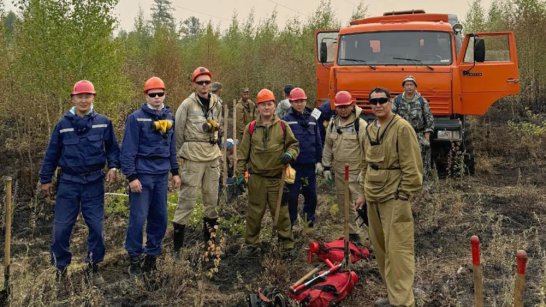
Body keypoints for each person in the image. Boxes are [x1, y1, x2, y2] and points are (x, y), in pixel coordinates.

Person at [39, 80, 120, 282]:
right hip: (68, 183)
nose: (83, 100)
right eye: (79, 96)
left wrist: (113, 166)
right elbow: (52, 153)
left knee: (96, 227)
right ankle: (61, 270)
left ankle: (93, 267)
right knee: (61, 229)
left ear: (93, 98)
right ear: (73, 98)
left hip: (94, 182)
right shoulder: (62, 125)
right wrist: (45, 179)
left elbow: (112, 148)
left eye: (87, 96)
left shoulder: (103, 122)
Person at [356, 87, 423, 307]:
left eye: (382, 100)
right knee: (381, 249)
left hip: (394, 197)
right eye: (373, 101)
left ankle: (404, 302)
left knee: (398, 251)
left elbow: (412, 167)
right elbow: (366, 162)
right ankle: (394, 295)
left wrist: (404, 194)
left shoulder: (402, 128)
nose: (377, 105)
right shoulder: (369, 129)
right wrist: (363, 194)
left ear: (390, 102)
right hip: (373, 195)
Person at [121, 76, 181, 276]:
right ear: (146, 95)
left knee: (160, 218)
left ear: (165, 94)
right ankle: (134, 257)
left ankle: (152, 256)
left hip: (161, 175)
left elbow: (171, 147)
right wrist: (131, 177)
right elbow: (128, 150)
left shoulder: (169, 117)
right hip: (142, 176)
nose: (156, 97)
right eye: (152, 94)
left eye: (160, 94)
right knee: (138, 218)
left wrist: (175, 172)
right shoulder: (136, 118)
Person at [236, 88, 299, 257]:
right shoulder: (251, 128)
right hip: (256, 178)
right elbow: (242, 154)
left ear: (274, 106)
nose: (266, 108)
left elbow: (294, 145)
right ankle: (251, 244)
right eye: (263, 105)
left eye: (269, 104)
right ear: (258, 107)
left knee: (281, 213)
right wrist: (240, 176)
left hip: (276, 179)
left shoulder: (283, 126)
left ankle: (286, 245)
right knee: (254, 213)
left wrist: (289, 154)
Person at [173, 67, 223, 255]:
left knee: (212, 200)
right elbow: (178, 133)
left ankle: (210, 246)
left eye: (207, 82)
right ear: (194, 84)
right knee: (187, 201)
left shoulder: (217, 103)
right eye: (200, 82)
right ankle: (177, 250)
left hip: (212, 155)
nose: (204, 86)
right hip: (193, 157)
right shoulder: (186, 105)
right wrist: (180, 157)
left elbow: (218, 124)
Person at [321, 91, 368, 244]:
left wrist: (365, 173)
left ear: (352, 105)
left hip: (356, 173)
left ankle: (371, 236)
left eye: (346, 107)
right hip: (339, 173)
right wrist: (326, 167)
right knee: (344, 205)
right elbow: (328, 146)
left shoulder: (360, 125)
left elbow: (367, 150)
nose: (343, 110)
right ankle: (352, 234)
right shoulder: (333, 124)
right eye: (340, 107)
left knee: (361, 206)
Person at [282, 87, 322, 231]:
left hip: (309, 166)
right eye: (296, 101)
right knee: (292, 197)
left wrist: (319, 161)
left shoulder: (312, 119)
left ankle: (308, 223)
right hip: (294, 167)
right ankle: (291, 224)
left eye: (302, 101)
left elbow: (318, 140)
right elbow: (284, 142)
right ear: (291, 102)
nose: (299, 104)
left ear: (306, 101)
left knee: (311, 196)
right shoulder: (286, 120)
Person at [393, 75, 434, 184]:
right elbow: (391, 118)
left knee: (423, 157)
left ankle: (424, 183)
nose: (409, 87)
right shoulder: (397, 100)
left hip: (418, 134)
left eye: (411, 85)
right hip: (402, 134)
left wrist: (427, 137)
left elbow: (429, 119)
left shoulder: (422, 101)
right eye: (407, 85)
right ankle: (402, 182)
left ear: (415, 87)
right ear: (404, 87)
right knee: (399, 157)